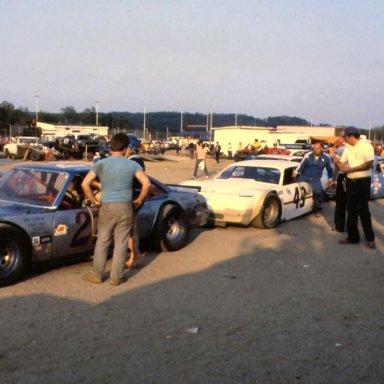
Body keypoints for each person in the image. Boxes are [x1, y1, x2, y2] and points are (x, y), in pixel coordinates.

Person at [81, 133, 151, 286]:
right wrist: (139, 200)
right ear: (126, 148)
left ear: (111, 147)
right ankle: (116, 277)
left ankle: (97, 274)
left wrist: (94, 201)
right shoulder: (132, 165)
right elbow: (146, 184)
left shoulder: (101, 164)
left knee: (103, 241)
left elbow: (85, 184)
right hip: (126, 206)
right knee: (121, 243)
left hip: (107, 206)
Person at [332, 127, 376, 249]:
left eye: (345, 137)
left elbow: (369, 164)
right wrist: (336, 160)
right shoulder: (347, 148)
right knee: (350, 209)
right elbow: (342, 166)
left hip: (363, 181)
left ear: (351, 136)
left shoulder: (366, 146)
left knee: (363, 209)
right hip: (351, 181)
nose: (344, 140)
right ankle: (353, 237)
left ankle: (370, 238)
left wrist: (351, 169)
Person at [293, 142, 333, 217]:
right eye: (314, 148)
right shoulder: (308, 155)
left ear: (322, 148)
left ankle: (318, 209)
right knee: (295, 188)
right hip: (304, 176)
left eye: (318, 148)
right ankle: (295, 209)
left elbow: (330, 169)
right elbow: (301, 165)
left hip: (316, 178)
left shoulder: (326, 158)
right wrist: (296, 172)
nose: (316, 150)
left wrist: (330, 179)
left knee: (318, 192)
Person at [125, 146, 147, 269]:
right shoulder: (138, 160)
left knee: (130, 230)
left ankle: (135, 255)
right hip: (137, 197)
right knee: (131, 229)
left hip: (134, 197)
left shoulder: (133, 161)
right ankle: (134, 255)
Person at [329, 140, 347, 232]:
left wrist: (333, 179)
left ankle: (340, 226)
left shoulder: (341, 150)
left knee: (341, 203)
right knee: (353, 204)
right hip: (355, 176)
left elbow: (337, 166)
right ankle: (352, 228)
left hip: (344, 175)